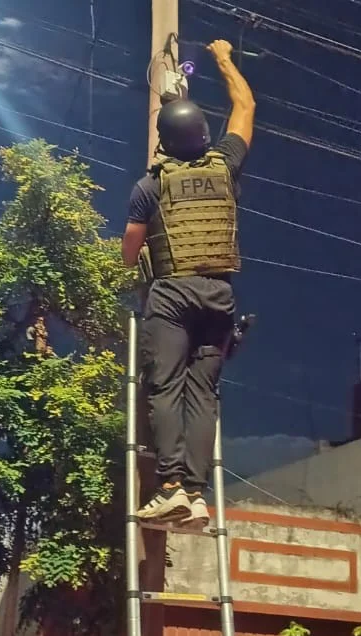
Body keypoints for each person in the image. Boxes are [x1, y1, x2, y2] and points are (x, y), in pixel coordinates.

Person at [123, 40, 256, 529]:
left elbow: (130, 251)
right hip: (219, 297)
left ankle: (171, 487)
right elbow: (245, 105)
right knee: (204, 393)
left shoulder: (151, 184)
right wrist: (222, 57)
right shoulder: (227, 165)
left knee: (165, 386)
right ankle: (198, 496)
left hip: (173, 295)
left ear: (163, 139)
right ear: (203, 132)